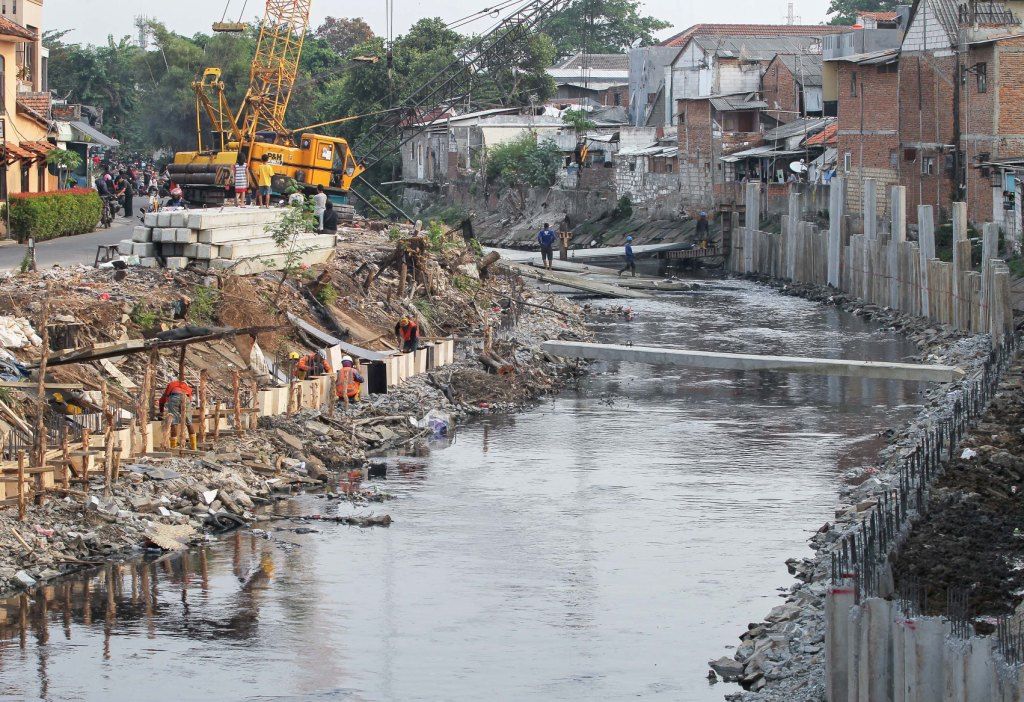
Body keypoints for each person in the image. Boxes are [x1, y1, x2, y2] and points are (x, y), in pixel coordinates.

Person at [159, 378, 195, 450]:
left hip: (174, 397)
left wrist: (161, 411)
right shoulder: (186, 387)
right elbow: (191, 399)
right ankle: (194, 447)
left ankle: (173, 447)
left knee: (174, 422)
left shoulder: (171, 384)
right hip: (186, 398)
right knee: (189, 422)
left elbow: (162, 399)